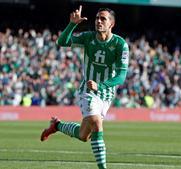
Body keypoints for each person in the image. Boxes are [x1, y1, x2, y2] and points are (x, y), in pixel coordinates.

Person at [40, 6, 129, 169]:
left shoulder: (120, 44)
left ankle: (57, 126)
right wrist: (72, 24)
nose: (99, 21)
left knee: (83, 135)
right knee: (96, 123)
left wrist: (101, 85)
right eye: (97, 18)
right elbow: (61, 42)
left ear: (112, 24)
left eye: (103, 19)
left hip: (106, 93)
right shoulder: (88, 37)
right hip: (87, 91)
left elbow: (121, 76)